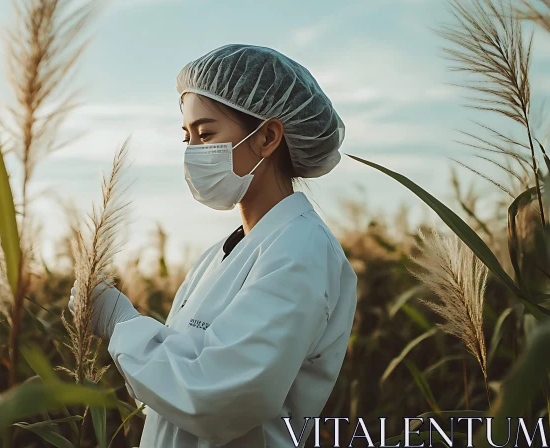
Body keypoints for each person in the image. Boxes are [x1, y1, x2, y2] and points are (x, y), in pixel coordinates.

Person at [68, 44, 357, 448]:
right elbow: (173, 391)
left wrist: (120, 323)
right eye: (186, 136)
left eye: (206, 134)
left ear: (268, 137)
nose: (192, 152)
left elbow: (220, 395)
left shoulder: (301, 250)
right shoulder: (221, 255)